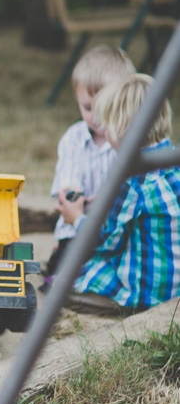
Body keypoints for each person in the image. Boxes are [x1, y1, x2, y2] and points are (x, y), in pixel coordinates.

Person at [58, 73, 180, 311]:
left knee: (65, 283)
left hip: (148, 291)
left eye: (106, 126)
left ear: (119, 129)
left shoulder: (131, 176)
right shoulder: (173, 160)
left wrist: (76, 218)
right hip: (176, 283)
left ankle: (120, 307)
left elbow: (103, 240)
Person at [42, 46, 135, 292]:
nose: (95, 117)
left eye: (104, 108)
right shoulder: (73, 139)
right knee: (65, 267)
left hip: (114, 232)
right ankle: (59, 268)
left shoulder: (129, 141)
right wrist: (75, 198)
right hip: (76, 228)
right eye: (87, 107)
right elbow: (67, 185)